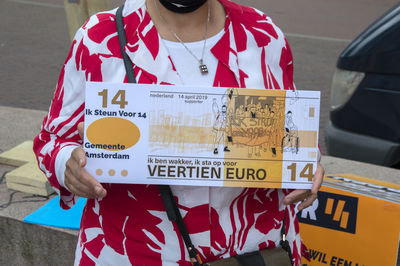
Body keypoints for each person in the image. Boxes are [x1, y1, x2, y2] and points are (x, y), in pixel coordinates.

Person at [33, 0, 324, 265]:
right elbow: (53, 140)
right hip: (136, 253)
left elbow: (289, 131)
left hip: (251, 251)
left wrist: (306, 166)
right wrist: (67, 165)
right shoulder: (100, 38)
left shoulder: (262, 35)